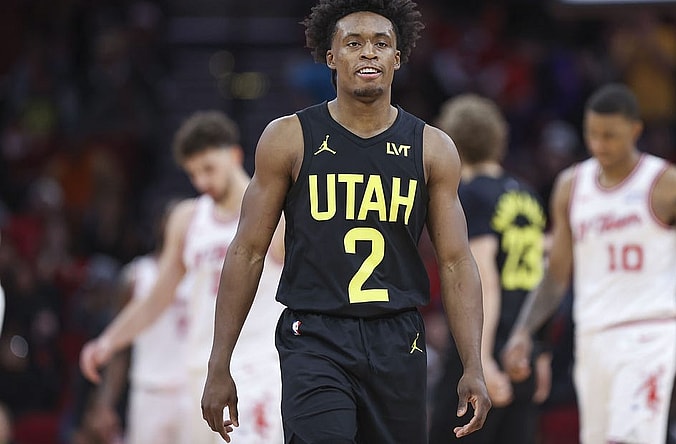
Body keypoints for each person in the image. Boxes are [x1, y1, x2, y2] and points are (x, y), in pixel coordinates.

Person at [200, 1, 491, 443]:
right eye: (353, 44)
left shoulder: (432, 148)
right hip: (315, 335)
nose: (368, 53)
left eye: (381, 44)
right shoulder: (288, 137)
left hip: (398, 338)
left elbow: (455, 261)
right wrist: (219, 363)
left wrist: (473, 363)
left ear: (399, 57)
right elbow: (247, 250)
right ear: (330, 56)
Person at [501, 83, 676, 444]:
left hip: (648, 335)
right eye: (593, 134)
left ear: (635, 131)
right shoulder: (571, 186)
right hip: (592, 339)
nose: (600, 144)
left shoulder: (672, 187)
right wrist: (524, 331)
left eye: (611, 136)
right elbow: (556, 274)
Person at [79, 110, 286, 444]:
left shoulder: (273, 213)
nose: (202, 182)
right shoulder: (188, 218)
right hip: (199, 371)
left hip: (257, 367)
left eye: (208, 169)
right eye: (193, 174)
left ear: (233, 155)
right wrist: (109, 341)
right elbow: (157, 298)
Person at [428, 93, 551, 444]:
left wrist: (478, 361)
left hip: (486, 348)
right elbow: (542, 279)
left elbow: (482, 278)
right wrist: (540, 352)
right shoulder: (527, 193)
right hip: (523, 348)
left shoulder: (470, 194)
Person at [84, 202, 190, 444]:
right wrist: (105, 403)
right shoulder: (137, 275)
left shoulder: (205, 272)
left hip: (193, 390)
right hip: (149, 390)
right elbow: (120, 350)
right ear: (162, 226)